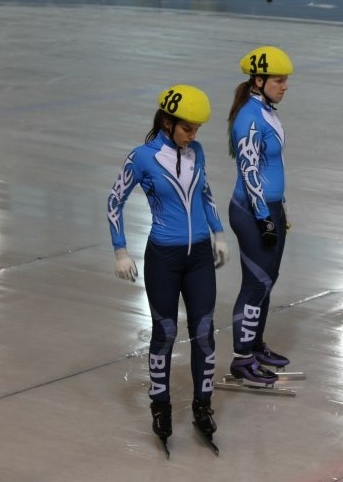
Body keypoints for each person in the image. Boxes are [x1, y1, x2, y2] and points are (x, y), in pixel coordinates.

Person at [107, 84, 229, 447]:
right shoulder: (142, 157)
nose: (193, 136)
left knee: (205, 332)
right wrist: (120, 250)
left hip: (200, 258)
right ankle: (160, 405)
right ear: (166, 122)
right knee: (165, 334)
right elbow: (114, 200)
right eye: (187, 128)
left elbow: (205, 194)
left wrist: (219, 233)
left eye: (197, 130)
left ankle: (202, 404)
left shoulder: (198, 151)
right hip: (164, 258)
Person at [227, 45, 294, 385]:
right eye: (279, 81)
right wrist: (264, 217)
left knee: (268, 281)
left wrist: (280, 211)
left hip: (271, 209)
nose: (285, 86)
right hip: (253, 211)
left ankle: (254, 344)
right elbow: (249, 170)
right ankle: (241, 359)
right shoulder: (249, 119)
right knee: (256, 284)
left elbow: (273, 167)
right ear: (259, 80)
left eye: (285, 81)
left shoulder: (267, 110)